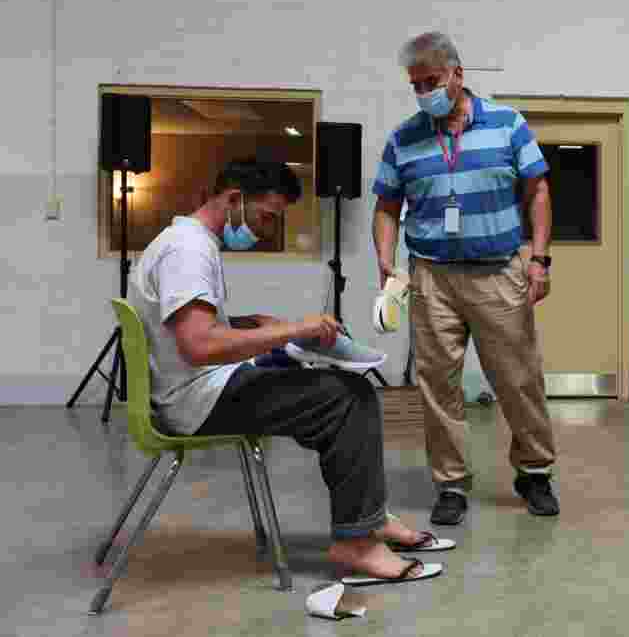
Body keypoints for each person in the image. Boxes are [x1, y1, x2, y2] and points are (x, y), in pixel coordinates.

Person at [127, 157, 445, 584]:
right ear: (234, 199)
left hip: (194, 390)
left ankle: (368, 518)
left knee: (332, 393)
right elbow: (198, 345)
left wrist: (253, 324)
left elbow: (188, 329)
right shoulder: (188, 250)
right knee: (348, 398)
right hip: (196, 401)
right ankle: (358, 540)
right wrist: (295, 330)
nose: (266, 229)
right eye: (266, 216)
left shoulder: (184, 241)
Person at [371, 32, 559, 525]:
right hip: (431, 277)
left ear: (457, 73)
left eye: (430, 81)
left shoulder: (507, 123)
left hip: (499, 272)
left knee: (518, 379)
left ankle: (534, 472)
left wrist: (539, 259)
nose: (423, 92)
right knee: (438, 385)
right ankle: (450, 483)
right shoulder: (404, 139)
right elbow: (386, 207)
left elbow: (538, 192)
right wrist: (386, 260)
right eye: (415, 85)